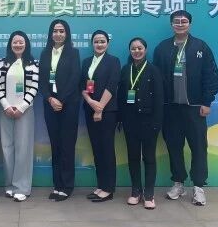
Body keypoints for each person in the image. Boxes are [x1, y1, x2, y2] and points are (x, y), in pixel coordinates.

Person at [153, 10, 218, 206]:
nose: (180, 24)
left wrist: (207, 102)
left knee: (198, 147)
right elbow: (156, 79)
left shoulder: (201, 47)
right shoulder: (162, 48)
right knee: (174, 147)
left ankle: (198, 187)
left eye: (184, 21)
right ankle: (178, 183)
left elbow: (211, 75)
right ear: (171, 24)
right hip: (170, 108)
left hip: (195, 108)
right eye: (176, 21)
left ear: (190, 24)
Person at [117, 37, 164, 209]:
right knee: (133, 157)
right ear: (130, 51)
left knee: (149, 157)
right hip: (130, 121)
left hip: (149, 121)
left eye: (140, 48)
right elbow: (120, 97)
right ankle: (135, 191)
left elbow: (159, 99)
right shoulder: (125, 69)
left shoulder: (154, 70)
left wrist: (157, 123)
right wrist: (120, 119)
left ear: (145, 50)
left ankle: (149, 193)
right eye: (133, 48)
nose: (136, 51)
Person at [38, 20, 81, 202]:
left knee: (67, 145)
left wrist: (60, 100)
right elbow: (41, 80)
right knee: (55, 145)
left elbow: (75, 78)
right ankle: (57, 185)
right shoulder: (45, 53)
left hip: (68, 105)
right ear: (51, 34)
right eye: (55, 31)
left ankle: (67, 186)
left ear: (67, 33)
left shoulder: (73, 53)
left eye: (62, 31)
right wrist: (50, 99)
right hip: (50, 105)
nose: (58, 34)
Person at [0, 31, 40, 202]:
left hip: (25, 111)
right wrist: (6, 106)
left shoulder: (33, 64)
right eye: (15, 42)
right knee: (7, 147)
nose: (18, 45)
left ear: (26, 44)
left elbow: (34, 87)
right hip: (4, 110)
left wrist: (21, 107)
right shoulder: (1, 63)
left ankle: (22, 187)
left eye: (21, 42)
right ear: (10, 44)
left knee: (23, 148)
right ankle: (9, 185)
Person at [80, 30, 120, 203]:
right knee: (97, 149)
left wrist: (100, 108)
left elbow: (112, 85)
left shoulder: (113, 61)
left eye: (102, 41)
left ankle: (109, 189)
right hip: (90, 109)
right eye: (96, 41)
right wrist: (90, 102)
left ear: (107, 43)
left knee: (107, 149)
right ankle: (101, 185)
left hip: (107, 112)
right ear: (92, 44)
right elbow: (83, 85)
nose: (99, 44)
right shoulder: (86, 62)